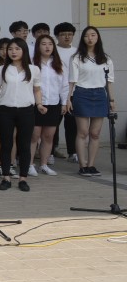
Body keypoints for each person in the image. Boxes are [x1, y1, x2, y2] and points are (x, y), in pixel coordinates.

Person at [0, 37, 41, 191]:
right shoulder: (2, 69)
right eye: (10, 49)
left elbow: (37, 89)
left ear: (24, 51)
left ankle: (23, 178)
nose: (13, 52)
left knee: (24, 144)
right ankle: (6, 177)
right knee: (6, 144)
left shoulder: (33, 69)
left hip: (26, 110)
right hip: (5, 110)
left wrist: (40, 104)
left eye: (17, 49)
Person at [69, 26, 115, 177]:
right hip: (82, 94)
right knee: (82, 132)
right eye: (87, 35)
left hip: (100, 95)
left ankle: (91, 165)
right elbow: (72, 81)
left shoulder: (106, 58)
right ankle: (82, 165)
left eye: (93, 35)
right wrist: (69, 99)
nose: (90, 38)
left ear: (98, 37)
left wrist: (112, 100)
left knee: (95, 133)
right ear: (82, 38)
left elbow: (109, 81)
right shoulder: (77, 57)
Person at [29, 35, 68, 177]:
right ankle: (30, 164)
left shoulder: (59, 63)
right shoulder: (32, 63)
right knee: (34, 136)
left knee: (48, 136)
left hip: (53, 103)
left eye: (50, 44)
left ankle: (44, 165)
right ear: (38, 47)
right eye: (43, 44)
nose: (47, 47)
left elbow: (64, 85)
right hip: (35, 103)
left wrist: (64, 102)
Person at [53, 22, 77, 161]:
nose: (67, 37)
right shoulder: (53, 51)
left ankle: (72, 152)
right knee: (53, 123)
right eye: (63, 34)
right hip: (56, 92)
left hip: (73, 92)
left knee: (72, 123)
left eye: (70, 34)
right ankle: (52, 150)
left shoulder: (78, 52)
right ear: (57, 36)